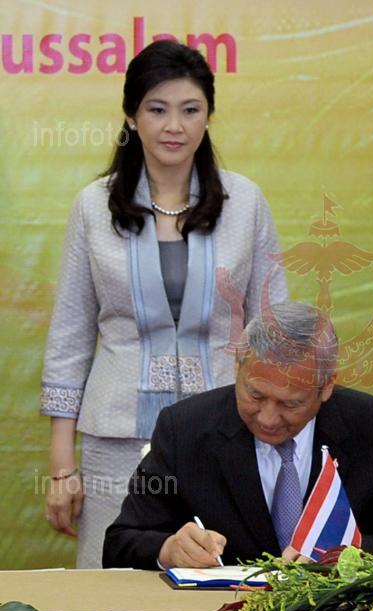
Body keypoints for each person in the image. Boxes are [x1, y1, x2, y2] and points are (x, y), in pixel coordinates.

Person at [40, 40, 287, 568]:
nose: (174, 126)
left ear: (208, 117)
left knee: (224, 579)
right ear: (131, 117)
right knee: (113, 579)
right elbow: (71, 335)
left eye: (190, 110)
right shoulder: (93, 206)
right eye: (157, 109)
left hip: (225, 434)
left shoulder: (245, 203)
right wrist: (62, 466)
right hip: (116, 437)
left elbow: (272, 329)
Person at [102, 302, 373, 570]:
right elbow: (120, 542)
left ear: (326, 386)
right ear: (237, 367)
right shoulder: (184, 428)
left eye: (290, 404)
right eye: (255, 395)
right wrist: (169, 549)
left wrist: (347, 556)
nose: (268, 418)